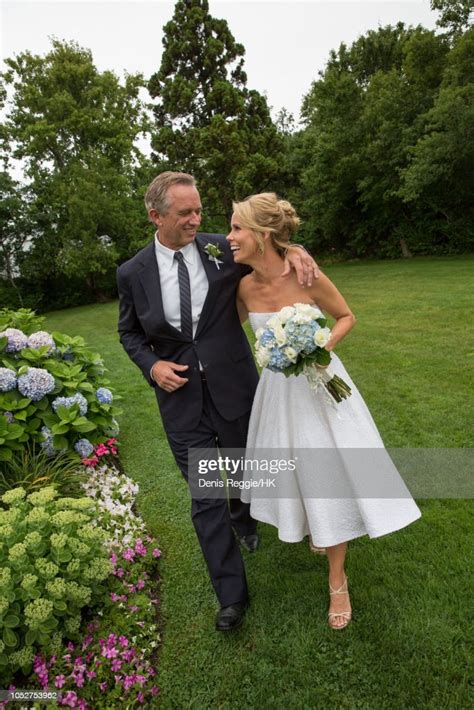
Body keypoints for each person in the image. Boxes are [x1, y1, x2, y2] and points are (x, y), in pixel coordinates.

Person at [117, 172, 319, 631]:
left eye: (198, 210)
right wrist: (151, 366)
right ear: (156, 216)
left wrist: (295, 250)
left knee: (250, 468)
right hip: (181, 400)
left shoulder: (221, 246)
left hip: (235, 385)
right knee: (205, 495)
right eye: (185, 212)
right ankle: (231, 596)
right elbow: (129, 332)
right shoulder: (132, 273)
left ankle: (245, 517)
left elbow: (268, 253)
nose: (195, 219)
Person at [227, 192, 422, 630]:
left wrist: (317, 346)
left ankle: (337, 578)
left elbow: (346, 316)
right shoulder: (242, 286)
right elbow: (223, 329)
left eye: (237, 227)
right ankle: (315, 527)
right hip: (278, 395)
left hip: (323, 387)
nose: (229, 236)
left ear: (262, 235)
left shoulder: (306, 274)